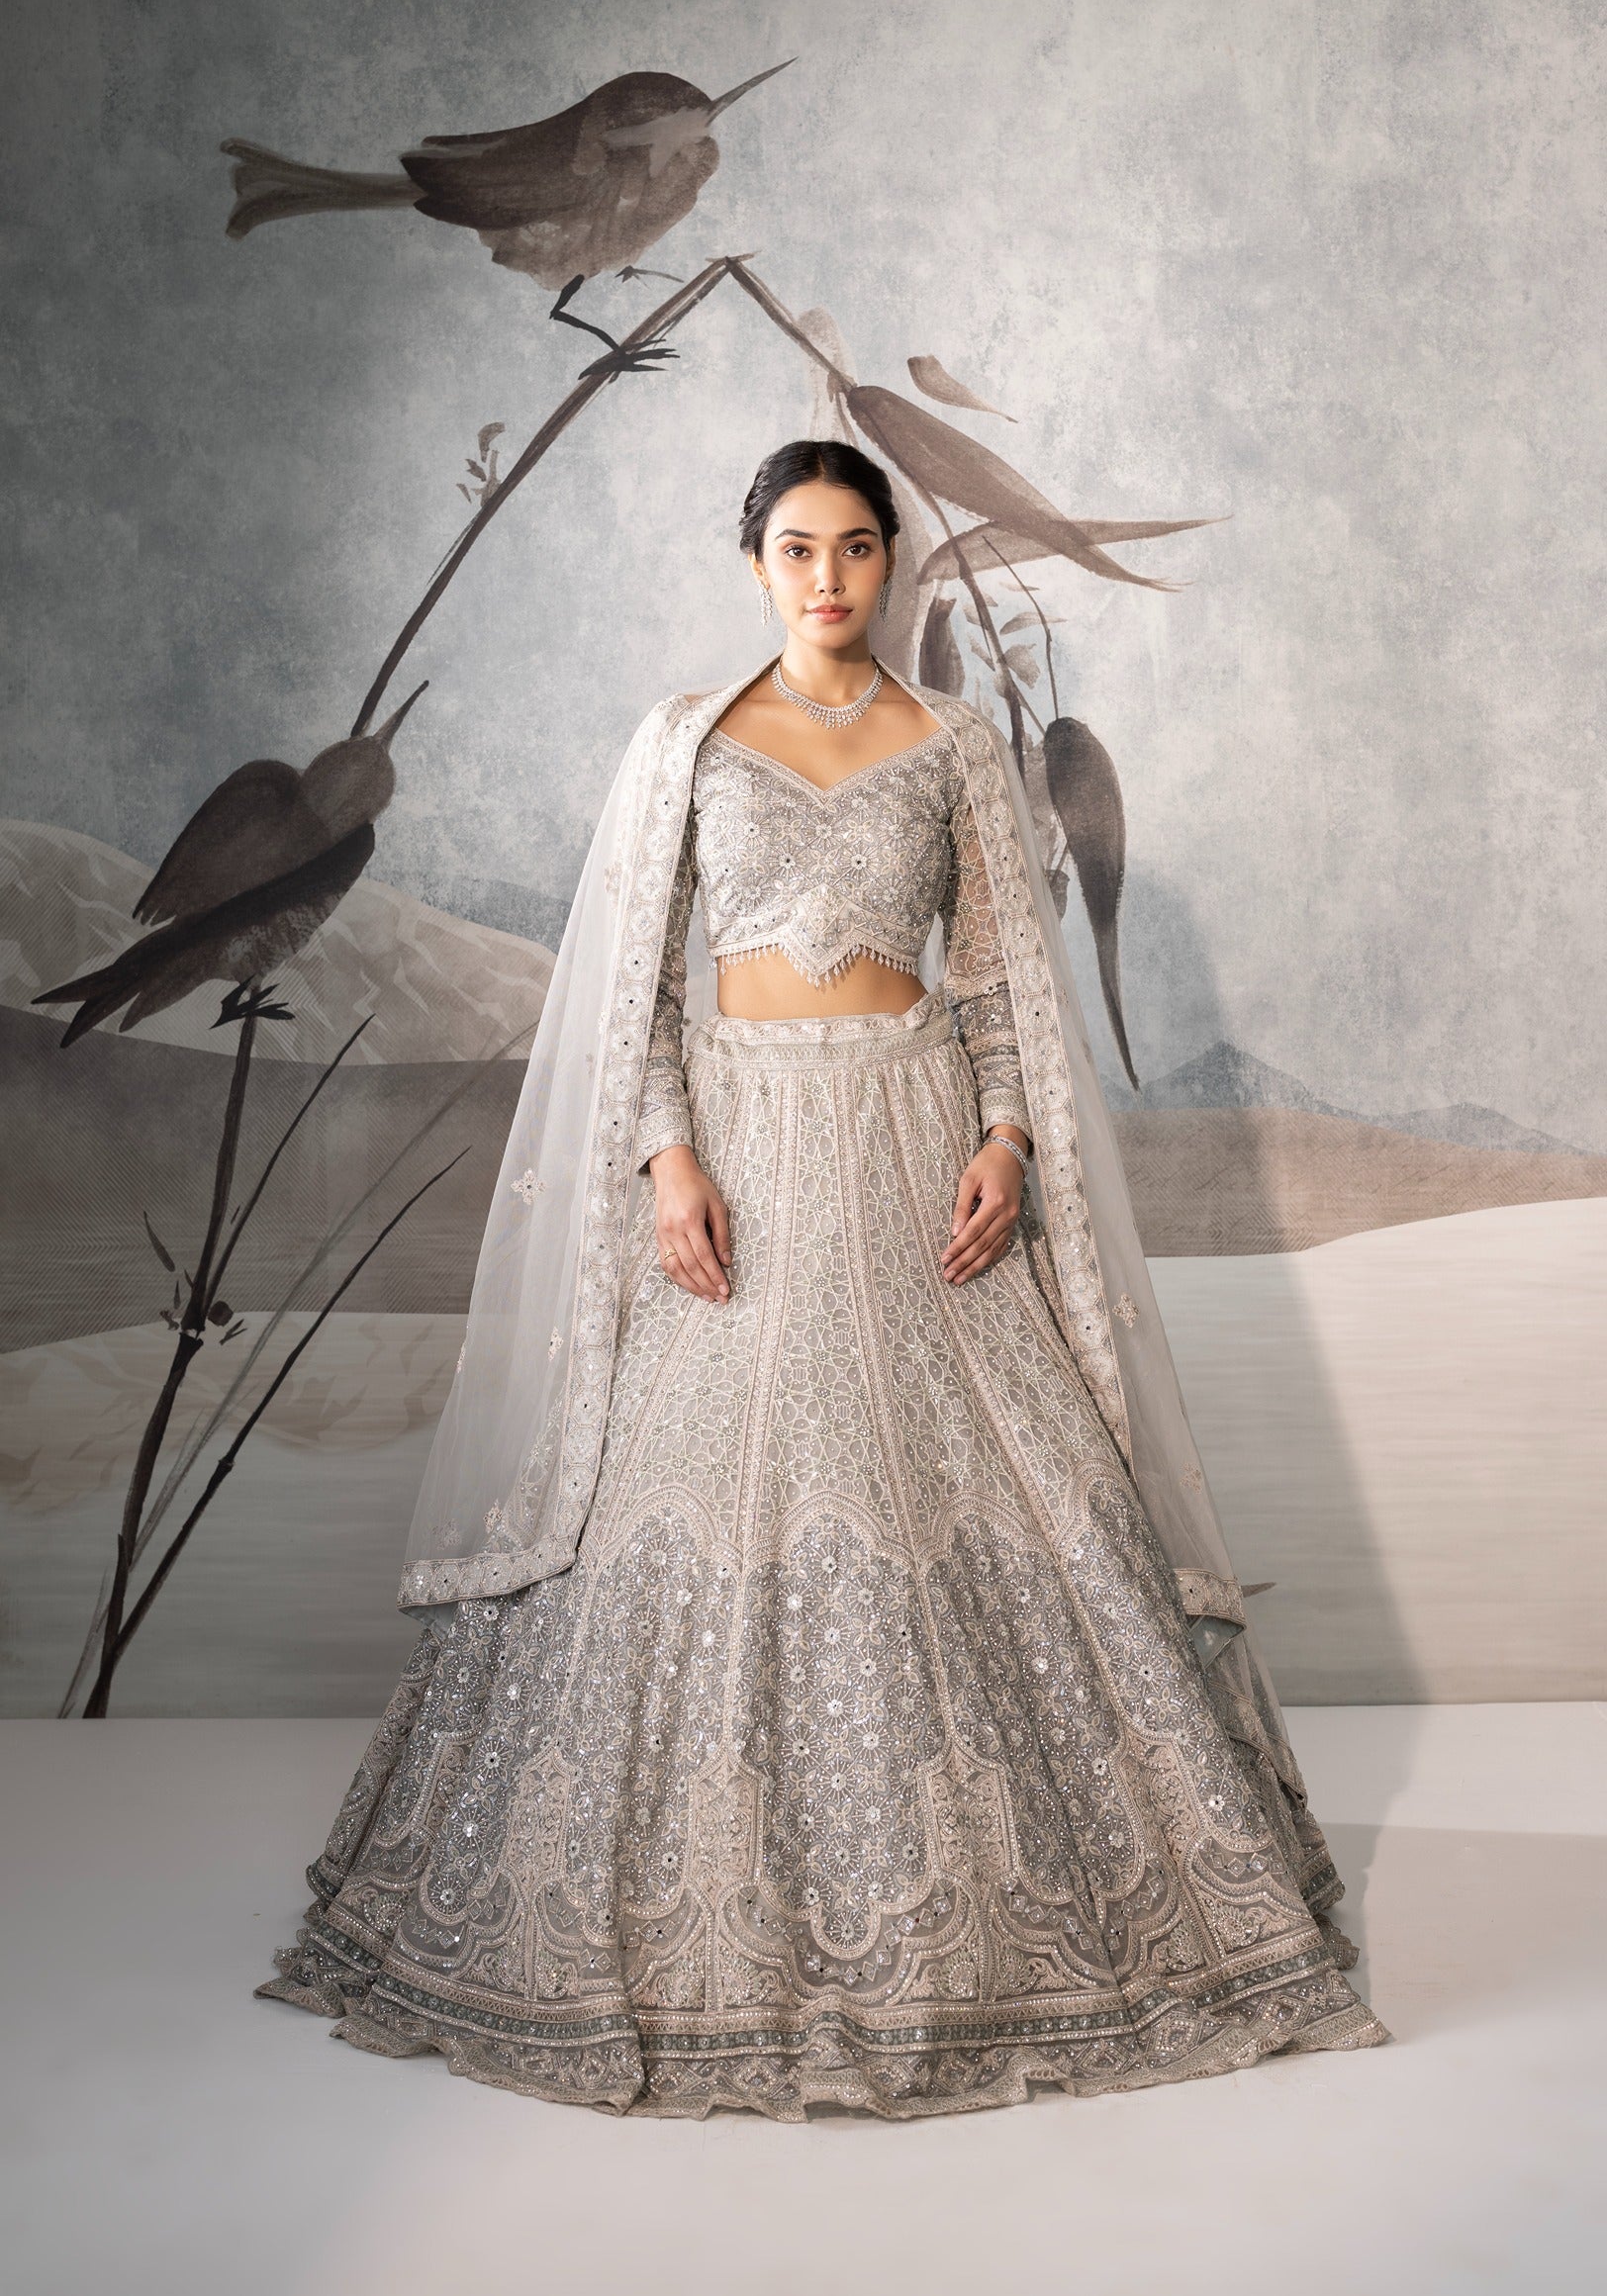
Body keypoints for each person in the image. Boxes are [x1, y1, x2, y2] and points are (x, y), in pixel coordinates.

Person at [257, 438, 1388, 2119]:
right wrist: (668, 1158)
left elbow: (997, 982)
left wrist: (1005, 1137)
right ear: (756, 563)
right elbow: (640, 996)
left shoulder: (956, 747)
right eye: (799, 548)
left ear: (890, 565)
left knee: (997, 1481)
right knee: (687, 1489)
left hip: (918, 1160)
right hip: (744, 1164)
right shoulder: (685, 743)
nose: (831, 579)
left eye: (859, 548)